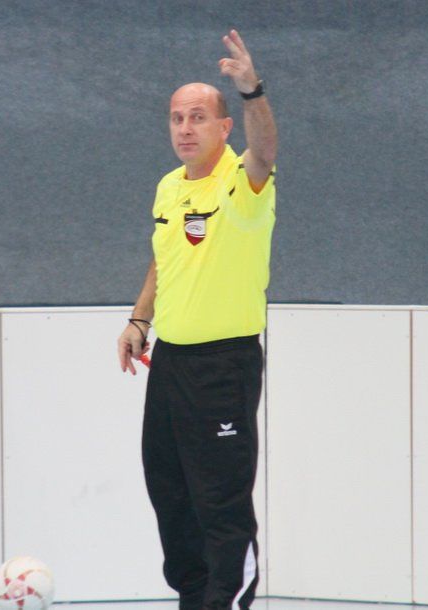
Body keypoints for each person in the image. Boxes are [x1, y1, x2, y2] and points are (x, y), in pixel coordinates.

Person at [116, 30, 277, 610]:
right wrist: (139, 321)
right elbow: (165, 259)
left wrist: (251, 90)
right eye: (177, 118)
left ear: (224, 127)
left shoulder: (242, 181)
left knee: (220, 502)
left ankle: (227, 599)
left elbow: (266, 152)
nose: (185, 128)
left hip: (223, 366)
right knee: (172, 494)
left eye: (198, 118)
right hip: (171, 363)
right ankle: (193, 598)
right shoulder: (168, 187)